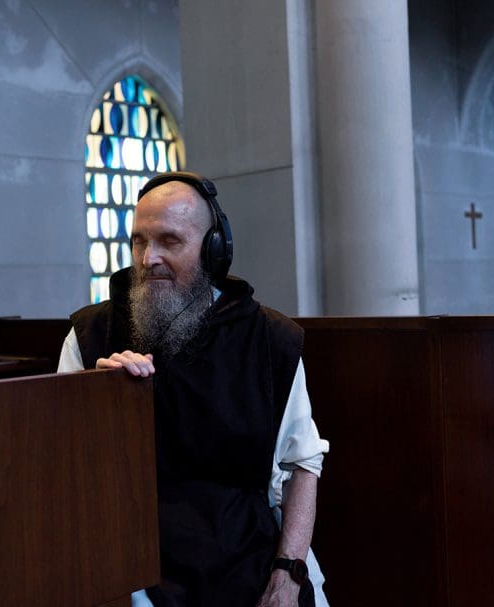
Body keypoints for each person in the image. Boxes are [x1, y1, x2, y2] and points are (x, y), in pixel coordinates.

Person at [57, 171, 330, 607]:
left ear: (215, 250)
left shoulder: (270, 340)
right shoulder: (91, 336)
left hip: (248, 553)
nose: (148, 259)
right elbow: (65, 473)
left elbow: (302, 465)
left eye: (169, 241)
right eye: (139, 241)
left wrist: (287, 575)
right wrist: (98, 398)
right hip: (131, 560)